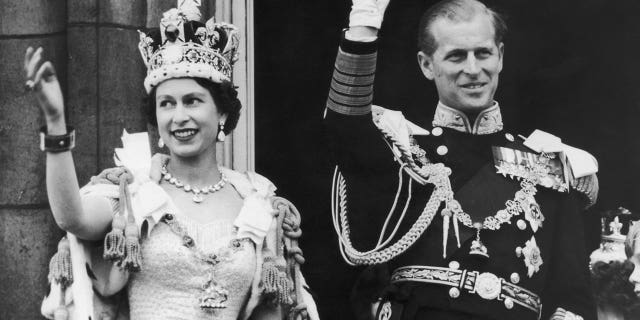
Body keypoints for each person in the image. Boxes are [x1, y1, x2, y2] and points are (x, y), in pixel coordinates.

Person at [27, 1, 317, 319]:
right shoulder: (132, 191)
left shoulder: (256, 201)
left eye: (192, 101)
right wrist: (56, 124)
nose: (179, 117)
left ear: (221, 112)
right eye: (167, 104)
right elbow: (73, 217)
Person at [325, 0, 600, 319]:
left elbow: (574, 299)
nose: (473, 69)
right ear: (427, 65)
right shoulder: (406, 155)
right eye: (456, 56)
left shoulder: (547, 166)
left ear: (500, 57)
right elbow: (345, 127)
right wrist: (364, 24)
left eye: (483, 53)